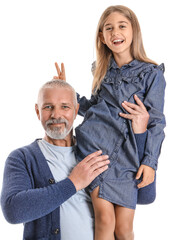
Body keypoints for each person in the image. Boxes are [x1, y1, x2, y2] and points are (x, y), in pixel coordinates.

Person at [53, 5, 166, 240]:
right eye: (109, 28)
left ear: (134, 31)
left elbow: (156, 122)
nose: (116, 32)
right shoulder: (102, 70)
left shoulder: (152, 74)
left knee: (124, 229)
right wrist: (67, 92)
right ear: (102, 38)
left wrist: (150, 162)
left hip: (127, 156)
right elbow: (94, 107)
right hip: (96, 149)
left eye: (122, 26)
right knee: (105, 220)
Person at [1, 79, 149, 240]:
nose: (56, 115)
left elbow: (145, 195)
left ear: (76, 109)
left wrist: (140, 135)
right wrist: (73, 183)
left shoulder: (96, 151)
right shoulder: (23, 158)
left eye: (65, 106)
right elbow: (13, 211)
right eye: (48, 107)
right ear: (37, 111)